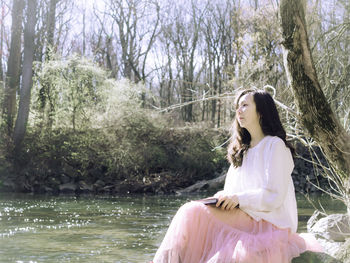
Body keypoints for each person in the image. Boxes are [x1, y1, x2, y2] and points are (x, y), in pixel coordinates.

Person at [152, 89, 323, 263]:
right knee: (190, 211)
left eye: (245, 105)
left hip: (268, 222)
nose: (238, 110)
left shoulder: (275, 145)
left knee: (190, 212)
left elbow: (274, 196)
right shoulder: (242, 149)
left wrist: (238, 198)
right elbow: (231, 191)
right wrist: (223, 197)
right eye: (237, 106)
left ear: (261, 111)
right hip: (242, 215)